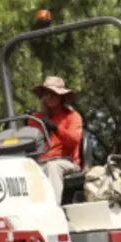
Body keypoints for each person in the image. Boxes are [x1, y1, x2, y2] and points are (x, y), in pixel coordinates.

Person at [28, 76, 83, 204]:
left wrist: (56, 129)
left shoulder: (73, 117)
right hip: (41, 161)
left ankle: (54, 208)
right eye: (46, 93)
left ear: (62, 97)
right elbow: (30, 140)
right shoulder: (37, 118)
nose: (49, 97)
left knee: (52, 167)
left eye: (53, 93)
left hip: (66, 162)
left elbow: (74, 141)